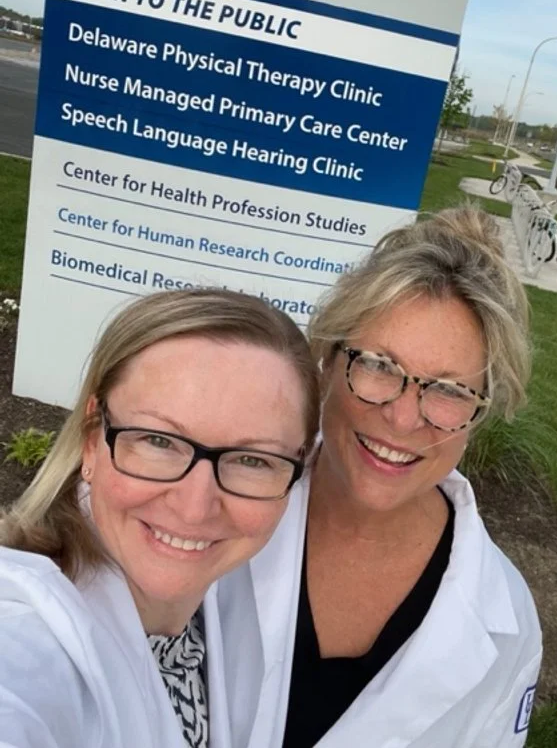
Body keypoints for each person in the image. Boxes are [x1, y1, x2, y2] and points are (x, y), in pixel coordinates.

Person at [217, 206, 543, 748]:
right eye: (378, 365)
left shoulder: (508, 623)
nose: (402, 416)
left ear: (477, 414)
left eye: (450, 390)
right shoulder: (207, 501)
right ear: (326, 359)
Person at [0, 288, 319, 748]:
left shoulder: (215, 611)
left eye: (251, 460)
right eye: (158, 441)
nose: (194, 507)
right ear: (93, 439)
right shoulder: (27, 629)